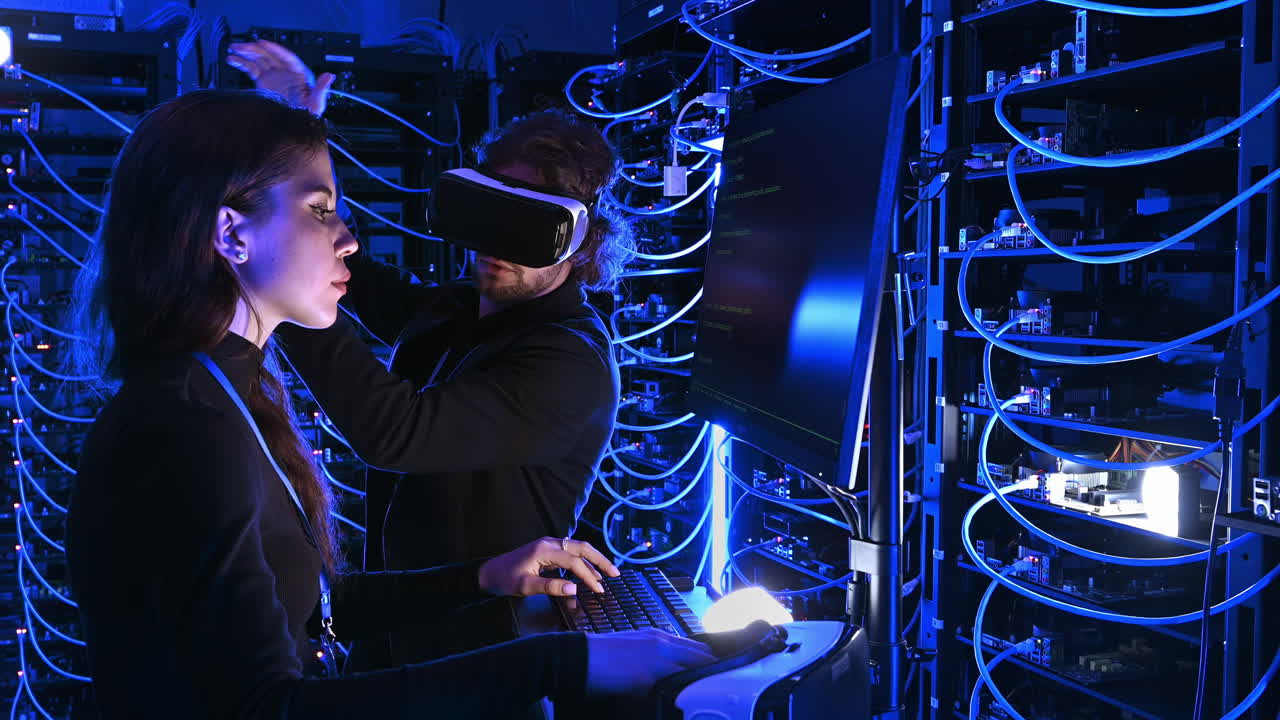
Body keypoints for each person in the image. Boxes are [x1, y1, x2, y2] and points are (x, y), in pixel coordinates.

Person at [64, 89, 712, 719]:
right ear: (231, 234)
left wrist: (484, 582)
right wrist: (285, 151)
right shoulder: (192, 426)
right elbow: (267, 703)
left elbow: (318, 602)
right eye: (322, 211)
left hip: (468, 653)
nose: (348, 240)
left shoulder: (567, 359)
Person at [227, 42, 632, 664]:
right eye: (492, 209)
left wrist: (276, 275)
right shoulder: (458, 307)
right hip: (392, 627)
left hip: (479, 659)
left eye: (529, 224)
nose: (499, 243)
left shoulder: (569, 362)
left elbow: (397, 432)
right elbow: (337, 259)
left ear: (581, 242)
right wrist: (292, 143)